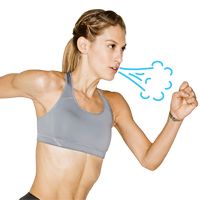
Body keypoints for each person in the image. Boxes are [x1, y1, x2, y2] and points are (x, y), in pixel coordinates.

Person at [0, 9, 198, 200]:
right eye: (111, 46)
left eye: (122, 49)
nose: (119, 57)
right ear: (84, 45)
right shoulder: (48, 85)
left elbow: (149, 160)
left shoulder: (114, 104)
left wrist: (175, 118)